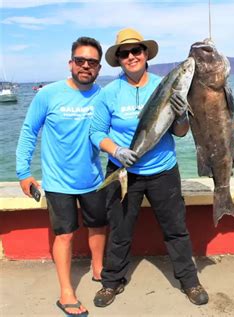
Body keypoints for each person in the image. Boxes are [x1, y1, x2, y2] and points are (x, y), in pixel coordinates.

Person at [89, 28, 208, 308]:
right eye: (124, 53)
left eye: (136, 51)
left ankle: (189, 281)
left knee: (176, 228)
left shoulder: (165, 84)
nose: (131, 56)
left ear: (146, 54)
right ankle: (111, 282)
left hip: (163, 171)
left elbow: (180, 132)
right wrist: (116, 151)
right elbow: (96, 132)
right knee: (120, 229)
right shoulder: (109, 93)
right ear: (118, 59)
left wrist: (181, 114)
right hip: (123, 171)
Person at [16, 37, 106, 316]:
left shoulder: (102, 95)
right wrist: (23, 173)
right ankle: (66, 291)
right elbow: (29, 131)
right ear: (71, 63)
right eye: (80, 60)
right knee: (65, 235)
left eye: (92, 62)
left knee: (99, 225)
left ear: (99, 68)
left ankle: (99, 268)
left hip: (93, 178)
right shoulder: (48, 94)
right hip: (58, 182)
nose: (85, 66)